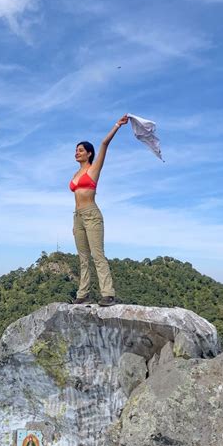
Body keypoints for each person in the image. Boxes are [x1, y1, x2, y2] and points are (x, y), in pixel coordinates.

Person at [70, 114, 129, 306]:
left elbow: (104, 144)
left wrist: (117, 125)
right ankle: (83, 293)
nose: (76, 153)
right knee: (83, 258)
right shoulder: (76, 173)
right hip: (77, 217)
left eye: (80, 150)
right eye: (76, 150)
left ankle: (108, 294)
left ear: (89, 153)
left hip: (91, 214)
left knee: (97, 255)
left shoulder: (94, 169)